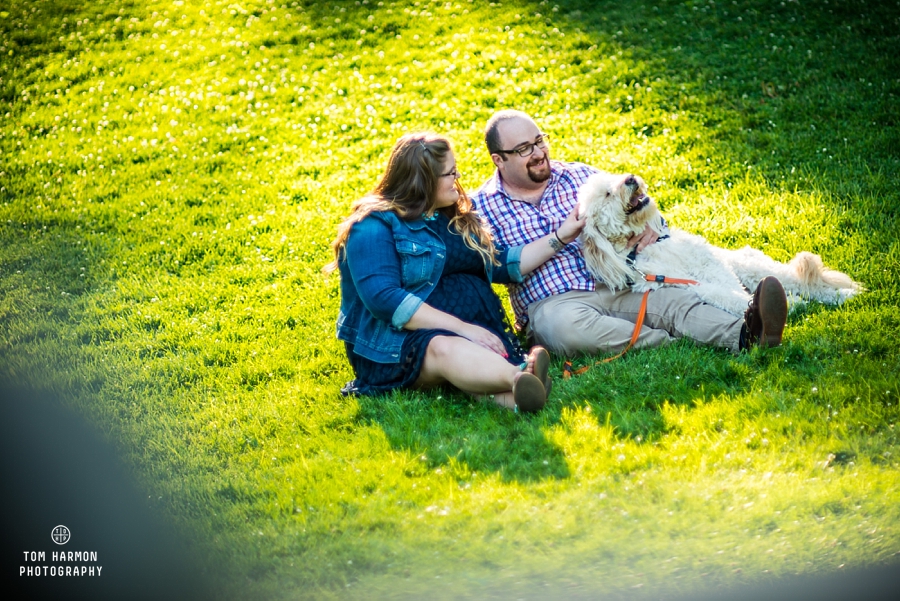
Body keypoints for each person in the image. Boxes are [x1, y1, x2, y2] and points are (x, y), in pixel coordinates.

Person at [470, 109, 788, 357]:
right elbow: (499, 267)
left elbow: (633, 199)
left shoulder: (578, 175)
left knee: (675, 303)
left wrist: (652, 223)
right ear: (499, 159)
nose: (539, 153)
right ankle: (668, 344)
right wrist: (561, 236)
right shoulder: (481, 206)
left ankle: (748, 335)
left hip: (616, 282)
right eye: (525, 149)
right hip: (553, 303)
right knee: (567, 328)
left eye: (540, 140)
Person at [325, 132, 582, 412]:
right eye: (450, 173)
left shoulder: (450, 215)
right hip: (398, 345)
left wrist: (561, 236)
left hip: (469, 334)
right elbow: (385, 300)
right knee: (443, 348)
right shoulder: (373, 226)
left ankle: (519, 400)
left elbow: (502, 263)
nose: (457, 180)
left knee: (459, 354)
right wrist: (464, 328)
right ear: (423, 181)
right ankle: (519, 374)